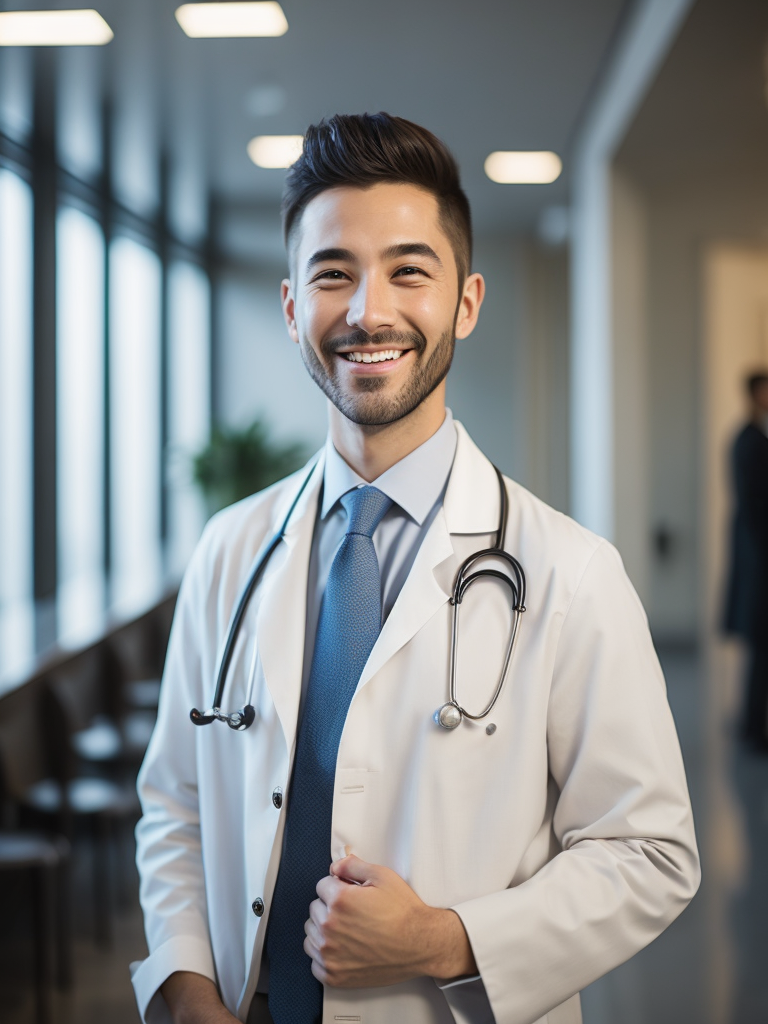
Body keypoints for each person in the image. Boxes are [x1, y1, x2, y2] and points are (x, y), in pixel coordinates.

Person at [132, 113, 700, 1024]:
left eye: (407, 270)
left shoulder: (572, 574)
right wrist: (185, 979)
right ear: (290, 307)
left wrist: (444, 939)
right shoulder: (229, 550)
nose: (368, 311)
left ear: (466, 302)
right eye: (332, 274)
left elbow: (651, 853)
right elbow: (175, 803)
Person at [724, 370, 768, 751]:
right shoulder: (750, 441)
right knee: (761, 646)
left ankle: (753, 724)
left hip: (755, 554)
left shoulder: (751, 437)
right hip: (758, 558)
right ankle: (753, 728)